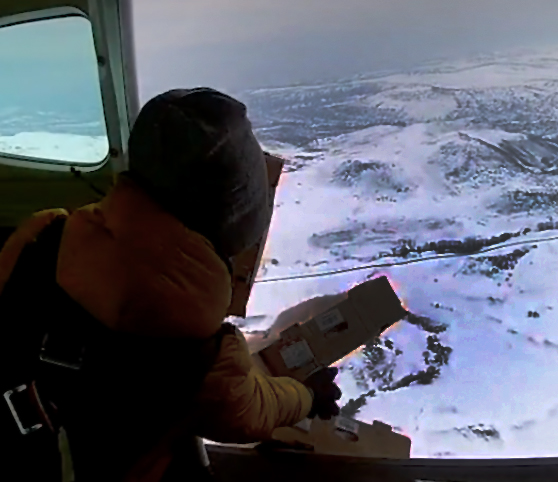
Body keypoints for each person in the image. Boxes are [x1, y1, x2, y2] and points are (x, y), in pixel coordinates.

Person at [0, 88, 341, 482]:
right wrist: (310, 395)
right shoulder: (203, 358)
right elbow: (255, 413)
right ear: (237, 217)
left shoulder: (40, 236)